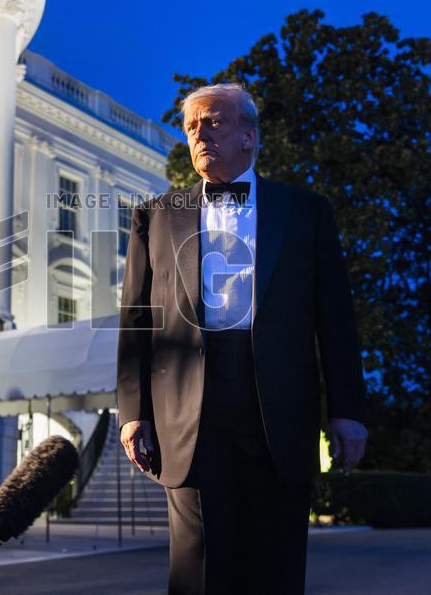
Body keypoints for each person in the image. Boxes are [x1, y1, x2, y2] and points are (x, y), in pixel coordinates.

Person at [116, 83, 368, 594]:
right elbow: (136, 319)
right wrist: (131, 411)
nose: (199, 134)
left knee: (275, 562)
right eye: (191, 127)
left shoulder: (306, 211)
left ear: (250, 137)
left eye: (214, 122)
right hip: (186, 406)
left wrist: (348, 408)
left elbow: (335, 318)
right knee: (198, 566)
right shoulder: (155, 215)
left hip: (279, 403)